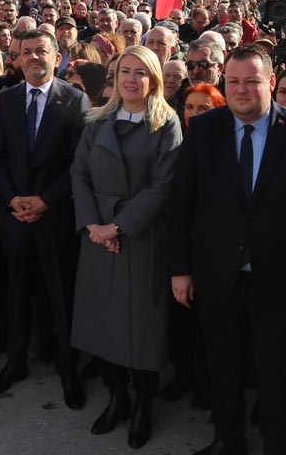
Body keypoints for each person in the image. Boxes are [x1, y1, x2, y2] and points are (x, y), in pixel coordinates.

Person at [169, 45, 286, 455]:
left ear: (271, 83)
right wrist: (180, 270)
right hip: (216, 276)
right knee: (221, 369)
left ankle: (277, 445)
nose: (242, 89)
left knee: (276, 373)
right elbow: (182, 205)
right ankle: (228, 440)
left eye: (252, 81)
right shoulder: (204, 128)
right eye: (234, 81)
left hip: (278, 280)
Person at [71, 46, 182, 449]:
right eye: (124, 72)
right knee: (103, 326)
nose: (131, 80)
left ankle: (143, 406)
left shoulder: (165, 124)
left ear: (153, 79)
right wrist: (94, 226)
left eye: (141, 73)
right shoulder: (97, 120)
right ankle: (116, 397)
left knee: (141, 331)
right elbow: (78, 174)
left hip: (139, 239)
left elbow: (162, 187)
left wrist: (118, 226)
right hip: (98, 240)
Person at [0, 29, 90, 410]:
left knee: (60, 295)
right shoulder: (8, 100)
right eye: (25, 52)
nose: (33, 57)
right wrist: (14, 198)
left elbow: (78, 163)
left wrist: (45, 201)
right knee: (14, 291)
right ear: (16, 58)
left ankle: (67, 367)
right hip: (14, 216)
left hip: (55, 217)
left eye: (40, 51)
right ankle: (15, 362)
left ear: (56, 55)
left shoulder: (75, 100)